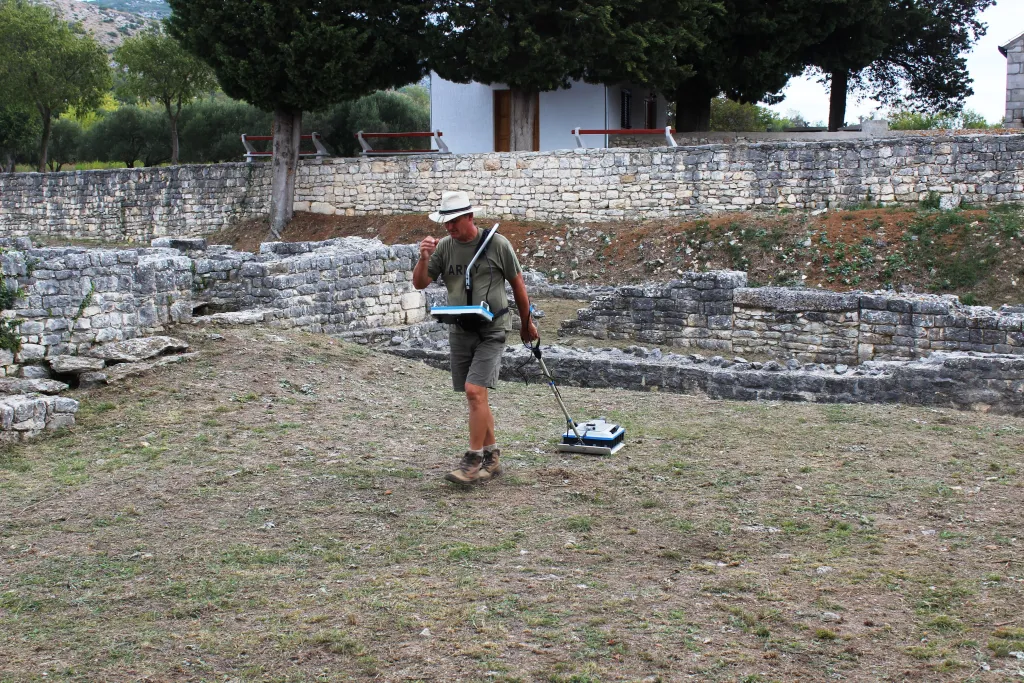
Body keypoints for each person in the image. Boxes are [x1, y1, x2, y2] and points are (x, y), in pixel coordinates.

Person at [412, 191, 538, 484]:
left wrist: (526, 323)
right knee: (477, 395)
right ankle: (492, 458)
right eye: (446, 222)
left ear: (469, 217)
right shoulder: (443, 247)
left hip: (492, 328)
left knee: (473, 390)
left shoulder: (497, 244)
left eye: (454, 222)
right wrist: (424, 257)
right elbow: (420, 282)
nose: (449, 228)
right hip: (459, 328)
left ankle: (472, 460)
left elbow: (518, 285)